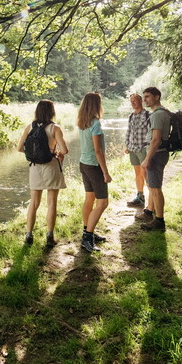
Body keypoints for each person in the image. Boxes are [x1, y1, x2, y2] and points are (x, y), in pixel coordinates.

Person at [17, 99, 68, 247]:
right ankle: (49, 237)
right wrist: (56, 152)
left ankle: (28, 236)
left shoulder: (30, 127)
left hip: (34, 167)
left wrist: (35, 153)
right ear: (52, 112)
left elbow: (20, 148)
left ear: (37, 111)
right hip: (51, 166)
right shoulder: (55, 128)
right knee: (52, 202)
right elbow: (64, 150)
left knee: (34, 203)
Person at [77, 92, 112, 252]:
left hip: (84, 164)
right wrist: (105, 172)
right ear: (96, 105)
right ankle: (87, 237)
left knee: (89, 199)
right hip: (94, 166)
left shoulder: (82, 121)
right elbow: (98, 151)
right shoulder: (96, 123)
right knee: (103, 202)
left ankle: (88, 230)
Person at [140, 87, 170, 231]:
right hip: (158, 153)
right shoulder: (161, 112)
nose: (144, 99)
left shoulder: (157, 115)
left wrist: (147, 158)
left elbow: (156, 140)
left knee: (155, 188)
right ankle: (150, 213)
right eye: (144, 97)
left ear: (157, 97)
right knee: (152, 185)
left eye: (147, 96)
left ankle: (159, 221)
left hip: (156, 154)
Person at [124, 93, 149, 208]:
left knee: (146, 173)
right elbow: (129, 132)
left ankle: (152, 201)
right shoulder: (131, 116)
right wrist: (127, 145)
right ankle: (140, 197)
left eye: (135, 101)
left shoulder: (147, 115)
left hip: (143, 148)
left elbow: (151, 133)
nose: (132, 103)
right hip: (133, 149)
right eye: (131, 101)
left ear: (141, 101)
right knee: (137, 172)